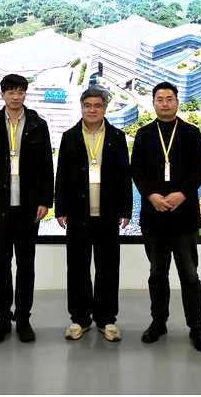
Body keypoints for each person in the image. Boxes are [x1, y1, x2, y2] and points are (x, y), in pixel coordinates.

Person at [131, 81, 201, 352]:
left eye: (169, 99)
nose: (164, 103)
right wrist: (151, 195)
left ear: (177, 102)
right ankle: (158, 322)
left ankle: (196, 327)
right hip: (154, 216)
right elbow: (136, 170)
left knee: (189, 275)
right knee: (157, 274)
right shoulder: (144, 134)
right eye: (159, 99)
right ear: (153, 103)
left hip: (184, 216)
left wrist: (182, 194)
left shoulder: (191, 133)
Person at [0, 73, 53, 343]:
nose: (16, 97)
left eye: (20, 92)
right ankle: (2, 320)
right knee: (1, 266)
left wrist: (45, 200)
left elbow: (47, 165)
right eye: (11, 92)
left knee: (26, 266)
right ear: (3, 95)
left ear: (25, 94)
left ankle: (23, 320)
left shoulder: (38, 125)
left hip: (28, 208)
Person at [55, 86, 132, 342]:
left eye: (97, 105)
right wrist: (60, 208)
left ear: (105, 109)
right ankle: (79, 319)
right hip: (78, 213)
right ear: (81, 108)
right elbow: (62, 175)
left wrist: (126, 209)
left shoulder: (117, 137)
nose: (92, 110)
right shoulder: (69, 137)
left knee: (108, 268)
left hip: (108, 213)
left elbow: (125, 175)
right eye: (87, 105)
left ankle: (106, 319)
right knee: (77, 268)